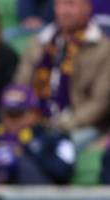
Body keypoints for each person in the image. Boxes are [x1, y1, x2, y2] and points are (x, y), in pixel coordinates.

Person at [14, 0, 110, 148]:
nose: (66, 11)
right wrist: (23, 114)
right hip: (36, 119)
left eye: (72, 4)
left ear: (88, 8)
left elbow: (100, 102)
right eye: (61, 4)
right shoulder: (39, 41)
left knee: (50, 148)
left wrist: (63, 124)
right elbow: (20, 86)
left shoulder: (103, 48)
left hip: (80, 125)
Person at [0, 84, 75, 184]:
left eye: (17, 114)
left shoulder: (51, 136)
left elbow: (64, 172)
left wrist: (26, 152)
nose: (11, 121)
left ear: (33, 114)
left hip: (34, 197)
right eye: (8, 114)